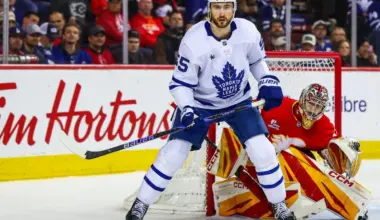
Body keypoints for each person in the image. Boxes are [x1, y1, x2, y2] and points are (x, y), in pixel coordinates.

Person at [126, 0, 296, 220]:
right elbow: (181, 85)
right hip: (199, 105)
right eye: (217, 7)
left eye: (227, 7)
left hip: (239, 101)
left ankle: (279, 204)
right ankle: (141, 204)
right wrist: (187, 110)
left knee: (262, 150)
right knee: (174, 154)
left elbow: (257, 61)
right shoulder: (193, 40)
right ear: (209, 9)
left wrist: (267, 80)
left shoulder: (247, 31)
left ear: (234, 8)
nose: (222, 12)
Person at [208, 83, 365, 219]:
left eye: (318, 106)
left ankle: (235, 199)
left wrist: (345, 161)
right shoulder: (278, 105)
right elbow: (246, 113)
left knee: (291, 156)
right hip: (258, 163)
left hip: (289, 175)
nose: (313, 110)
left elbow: (334, 160)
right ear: (302, 99)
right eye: (311, 104)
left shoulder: (324, 127)